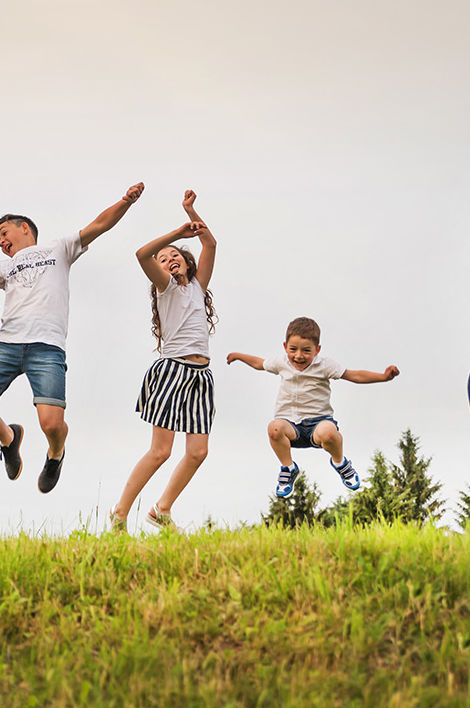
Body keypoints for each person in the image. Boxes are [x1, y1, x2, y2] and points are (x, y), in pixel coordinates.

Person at [0, 182, 145, 494]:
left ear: (25, 228)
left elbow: (100, 224)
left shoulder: (58, 249)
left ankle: (55, 454)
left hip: (47, 348)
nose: (1, 240)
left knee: (52, 425)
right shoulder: (3, 266)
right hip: (7, 344)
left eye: (4, 232)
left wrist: (125, 201)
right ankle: (9, 438)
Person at [109, 191, 217, 533]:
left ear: (187, 263)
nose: (168, 260)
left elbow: (211, 244)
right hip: (172, 370)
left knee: (198, 452)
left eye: (174, 257)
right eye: (163, 258)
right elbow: (142, 254)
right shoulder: (166, 288)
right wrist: (176, 234)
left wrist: (190, 211)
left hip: (201, 375)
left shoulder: (198, 287)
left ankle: (162, 509)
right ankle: (119, 514)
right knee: (160, 451)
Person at [227, 317, 399, 498]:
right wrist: (238, 356)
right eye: (293, 349)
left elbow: (354, 375)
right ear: (285, 347)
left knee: (330, 433)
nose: (298, 356)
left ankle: (340, 463)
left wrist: (383, 377)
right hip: (290, 425)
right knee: (274, 428)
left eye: (306, 351)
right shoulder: (281, 362)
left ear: (317, 350)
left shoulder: (325, 366)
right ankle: (289, 468)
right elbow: (259, 363)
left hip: (318, 423)